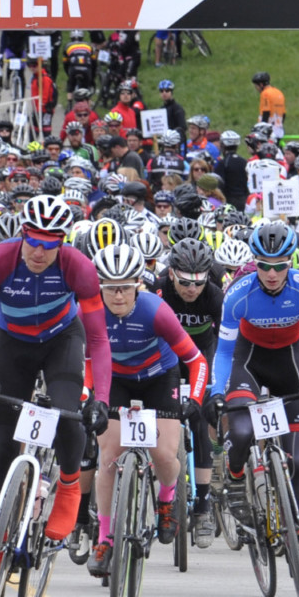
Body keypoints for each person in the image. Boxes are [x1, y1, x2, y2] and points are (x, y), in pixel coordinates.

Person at [0, 195, 111, 597]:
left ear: (62, 243)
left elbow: (98, 338)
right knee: (1, 446)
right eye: (33, 241)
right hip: (9, 344)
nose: (40, 251)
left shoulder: (78, 267)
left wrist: (100, 397)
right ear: (22, 234)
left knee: (68, 418)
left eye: (50, 244)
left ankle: (67, 485)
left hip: (61, 340)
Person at [202, 221, 299, 579]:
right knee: (243, 432)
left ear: (291, 262)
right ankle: (234, 479)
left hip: (290, 366)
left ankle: (298, 535)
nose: (273, 273)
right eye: (264, 265)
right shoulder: (238, 294)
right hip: (248, 362)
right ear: (255, 263)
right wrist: (217, 392)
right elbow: (223, 351)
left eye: (281, 265)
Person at [85, 244, 209, 577]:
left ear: (138, 284)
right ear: (99, 286)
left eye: (125, 287)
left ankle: (167, 498)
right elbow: (86, 361)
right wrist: (88, 396)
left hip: (158, 378)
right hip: (116, 381)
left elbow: (196, 360)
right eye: (110, 288)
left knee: (164, 454)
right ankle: (105, 538)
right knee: (108, 457)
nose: (118, 296)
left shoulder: (156, 311)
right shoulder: (90, 311)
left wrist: (194, 400)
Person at [154, 237, 223, 546]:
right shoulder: (159, 289)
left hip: (202, 353)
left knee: (201, 415)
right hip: (169, 355)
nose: (192, 290)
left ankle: (204, 506)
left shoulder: (214, 295)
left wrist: (215, 383)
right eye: (184, 283)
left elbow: (224, 343)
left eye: (198, 283)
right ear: (171, 274)